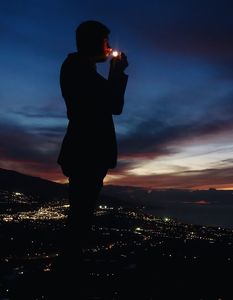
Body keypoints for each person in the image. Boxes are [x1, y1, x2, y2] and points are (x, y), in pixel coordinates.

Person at [57, 20, 128, 255]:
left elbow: (107, 103)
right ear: (95, 42)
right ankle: (69, 274)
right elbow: (113, 105)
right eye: (106, 42)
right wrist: (117, 72)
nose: (109, 48)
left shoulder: (80, 68)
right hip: (86, 153)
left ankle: (70, 268)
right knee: (80, 217)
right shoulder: (77, 68)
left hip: (85, 152)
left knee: (81, 215)